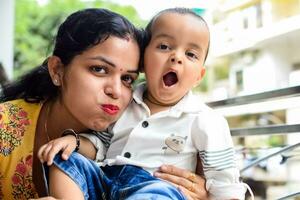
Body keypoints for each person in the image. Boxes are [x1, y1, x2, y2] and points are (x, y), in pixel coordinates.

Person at [40, 7, 249, 200]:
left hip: (156, 185)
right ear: (142, 61)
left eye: (191, 54)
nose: (177, 57)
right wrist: (75, 143)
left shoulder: (205, 120)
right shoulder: (125, 102)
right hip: (105, 180)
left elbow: (225, 182)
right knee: (66, 160)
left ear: (199, 76)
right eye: (164, 46)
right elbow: (101, 144)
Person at [0, 8, 207, 200]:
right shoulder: (4, 127)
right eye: (99, 69)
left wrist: (202, 194)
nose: (116, 91)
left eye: (127, 79)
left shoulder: (177, 134)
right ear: (57, 70)